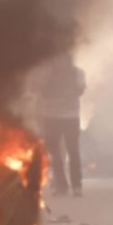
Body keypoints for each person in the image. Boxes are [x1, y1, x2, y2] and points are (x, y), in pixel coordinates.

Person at [37, 54, 86, 197]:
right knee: (55, 153)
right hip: (52, 117)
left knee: (72, 151)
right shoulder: (47, 74)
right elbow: (41, 92)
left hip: (70, 117)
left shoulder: (77, 73)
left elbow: (79, 91)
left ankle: (76, 185)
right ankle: (62, 184)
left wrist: (59, 90)